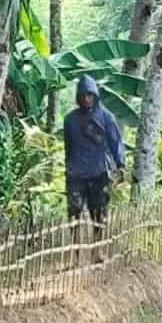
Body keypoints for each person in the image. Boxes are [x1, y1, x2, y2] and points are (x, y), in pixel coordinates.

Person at [62, 75, 126, 224]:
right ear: (78, 97)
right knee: (74, 216)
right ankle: (75, 247)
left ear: (95, 96)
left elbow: (116, 142)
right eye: (83, 95)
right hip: (76, 175)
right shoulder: (70, 120)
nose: (86, 99)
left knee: (99, 216)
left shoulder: (106, 117)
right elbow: (68, 147)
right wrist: (68, 168)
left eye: (90, 95)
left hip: (99, 174)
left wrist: (121, 165)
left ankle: (99, 246)